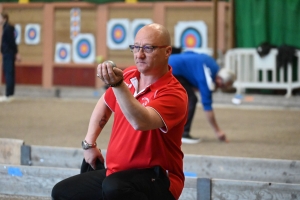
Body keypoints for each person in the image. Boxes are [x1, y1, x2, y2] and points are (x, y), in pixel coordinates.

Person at [51, 23, 188, 200]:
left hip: (158, 179)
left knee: (115, 188)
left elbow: (141, 121)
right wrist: (89, 143)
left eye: (148, 48)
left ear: (167, 51)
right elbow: (105, 103)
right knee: (62, 192)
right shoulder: (129, 75)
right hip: (117, 175)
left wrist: (118, 85)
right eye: (136, 47)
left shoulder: (174, 93)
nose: (139, 55)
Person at [168, 49, 235, 144]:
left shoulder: (213, 64)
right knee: (191, 99)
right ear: (219, 79)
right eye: (222, 85)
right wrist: (218, 131)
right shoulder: (207, 78)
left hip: (171, 64)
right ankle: (183, 133)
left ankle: (173, 130)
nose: (220, 88)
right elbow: (207, 107)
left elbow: (190, 55)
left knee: (180, 98)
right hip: (171, 69)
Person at [0, 12, 21, 102]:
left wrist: (16, 53)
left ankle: (8, 94)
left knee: (9, 74)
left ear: (4, 18)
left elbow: (11, 42)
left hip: (8, 53)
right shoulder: (6, 28)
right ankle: (10, 94)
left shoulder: (7, 28)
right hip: (8, 53)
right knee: (10, 73)